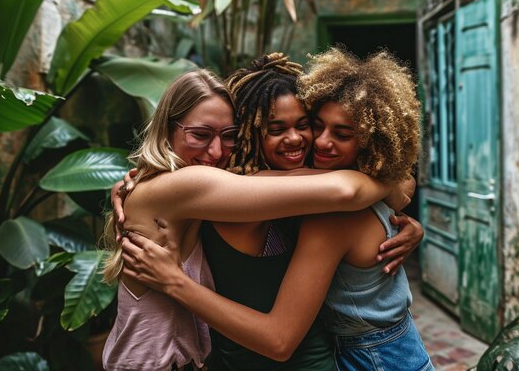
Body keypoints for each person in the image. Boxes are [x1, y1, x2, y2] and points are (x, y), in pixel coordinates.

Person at [118, 49, 434, 371]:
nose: (215, 151)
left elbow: (340, 190)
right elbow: (345, 189)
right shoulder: (210, 185)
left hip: (375, 354)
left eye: (227, 136)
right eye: (199, 135)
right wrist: (389, 184)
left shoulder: (306, 199)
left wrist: (394, 189)